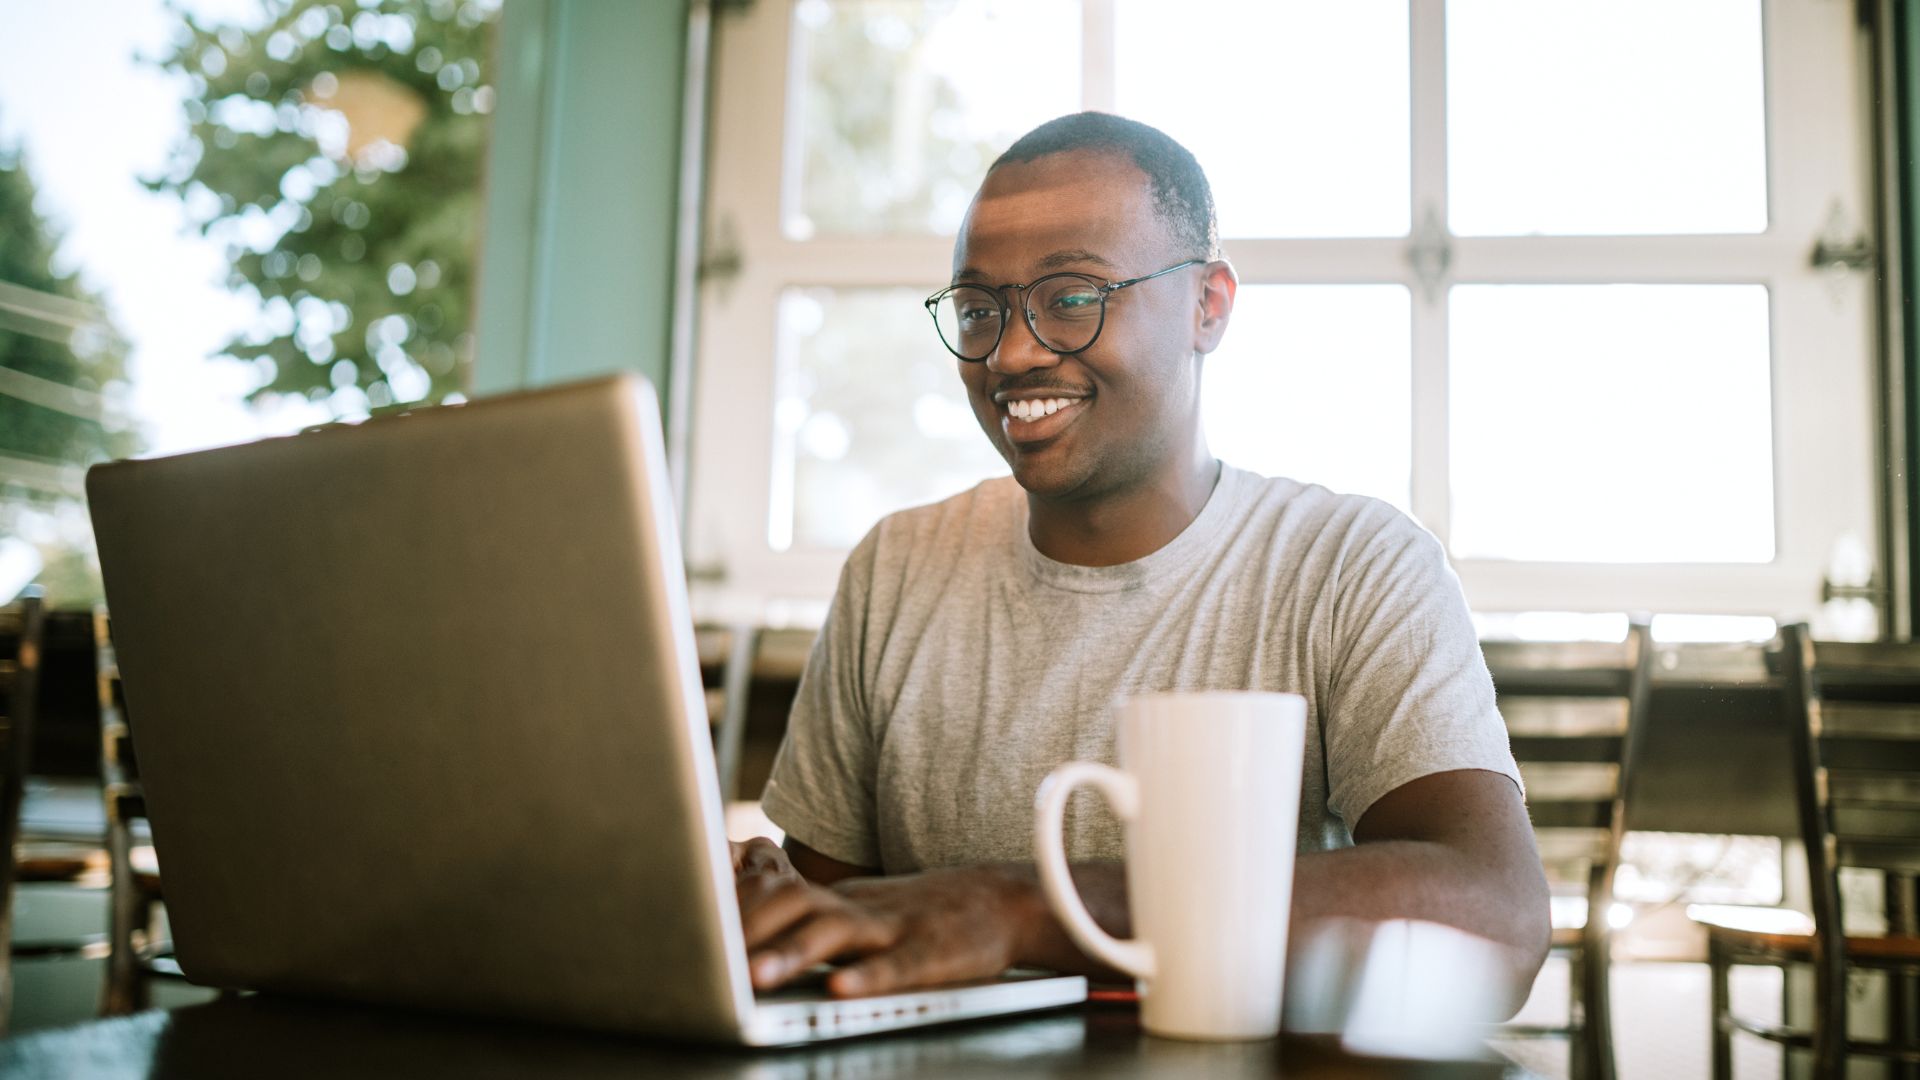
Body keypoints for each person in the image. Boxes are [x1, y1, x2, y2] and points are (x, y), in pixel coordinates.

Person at [731, 112, 1550, 1016]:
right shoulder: (897, 569)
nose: (1010, 352)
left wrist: (1028, 906)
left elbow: (1495, 919)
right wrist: (770, 910)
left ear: (1209, 307)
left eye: (1071, 298)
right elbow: (839, 934)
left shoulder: (1351, 568)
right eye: (977, 309)